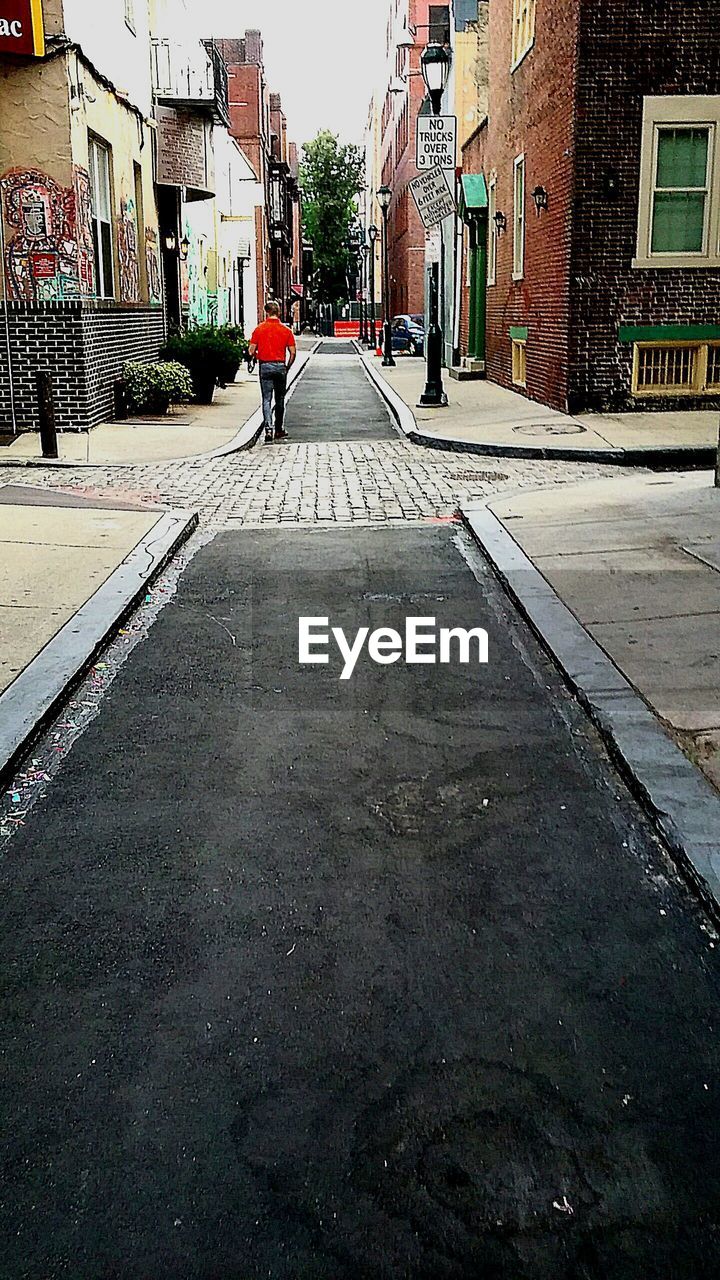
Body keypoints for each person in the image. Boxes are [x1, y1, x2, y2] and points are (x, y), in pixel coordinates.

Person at [249, 301, 296, 443]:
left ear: (266, 312)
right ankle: (279, 428)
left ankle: (268, 429)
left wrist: (256, 356)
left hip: (265, 366)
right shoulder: (286, 331)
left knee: (266, 399)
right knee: (280, 399)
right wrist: (287, 366)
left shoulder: (259, 329)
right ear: (279, 312)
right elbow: (293, 352)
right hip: (280, 366)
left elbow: (251, 350)